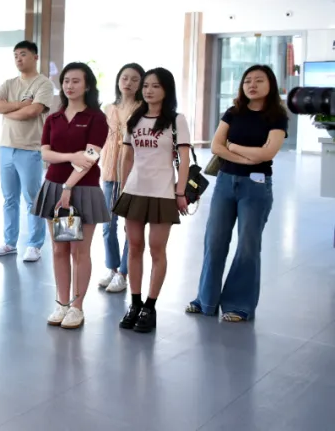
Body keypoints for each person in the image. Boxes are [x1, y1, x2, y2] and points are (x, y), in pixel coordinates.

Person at [188, 65, 287, 322]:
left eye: (259, 80)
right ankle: (205, 300)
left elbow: (268, 153)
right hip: (225, 182)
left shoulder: (277, 116)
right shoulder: (233, 112)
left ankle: (239, 305)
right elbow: (216, 146)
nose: (252, 85)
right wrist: (246, 157)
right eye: (247, 81)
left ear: (270, 85)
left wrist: (233, 147)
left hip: (256, 186)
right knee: (214, 241)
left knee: (247, 246)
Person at [33, 63, 111, 330]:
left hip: (82, 189)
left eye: (76, 81)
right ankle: (61, 303)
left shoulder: (96, 118)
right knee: (59, 249)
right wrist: (70, 157)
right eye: (66, 80)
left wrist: (68, 187)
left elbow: (90, 157)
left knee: (79, 250)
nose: (69, 85)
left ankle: (77, 307)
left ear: (87, 85)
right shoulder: (53, 118)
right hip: (53, 188)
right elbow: (45, 153)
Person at [114, 67, 190, 334]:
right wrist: (122, 190)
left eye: (155, 86)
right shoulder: (135, 118)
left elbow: (184, 160)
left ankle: (150, 305)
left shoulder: (176, 120)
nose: (148, 90)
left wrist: (180, 192)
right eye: (146, 85)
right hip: (134, 191)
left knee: (157, 250)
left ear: (166, 90)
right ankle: (134, 303)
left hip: (162, 193)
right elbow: (127, 158)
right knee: (134, 247)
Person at [0, 41, 55, 261]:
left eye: (23, 54)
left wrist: (8, 110)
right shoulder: (9, 83)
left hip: (30, 148)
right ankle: (9, 242)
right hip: (6, 147)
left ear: (35, 57)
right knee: (9, 199)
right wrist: (20, 104)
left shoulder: (43, 84)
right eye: (16, 55)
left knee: (32, 198)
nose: (19, 58)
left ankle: (35, 245)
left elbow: (33, 111)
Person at [98, 63, 144, 293]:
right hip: (109, 173)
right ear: (118, 80)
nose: (128, 83)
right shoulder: (108, 108)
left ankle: (124, 273)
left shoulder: (143, 110)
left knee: (129, 226)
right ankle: (112, 267)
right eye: (125, 78)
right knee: (108, 224)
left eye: (134, 79)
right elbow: (99, 140)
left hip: (133, 174)